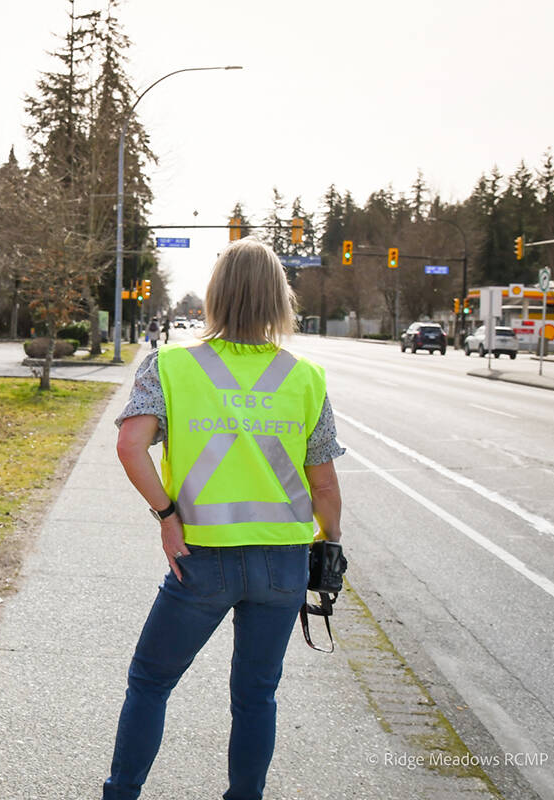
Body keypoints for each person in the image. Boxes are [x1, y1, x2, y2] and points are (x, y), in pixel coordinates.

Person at [103, 239, 344, 800]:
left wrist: (166, 514)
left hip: (200, 562)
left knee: (150, 683)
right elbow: (325, 484)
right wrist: (329, 546)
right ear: (278, 301)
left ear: (215, 296)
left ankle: (122, 793)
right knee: (257, 696)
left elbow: (130, 447)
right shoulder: (306, 378)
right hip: (283, 566)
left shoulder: (171, 366)